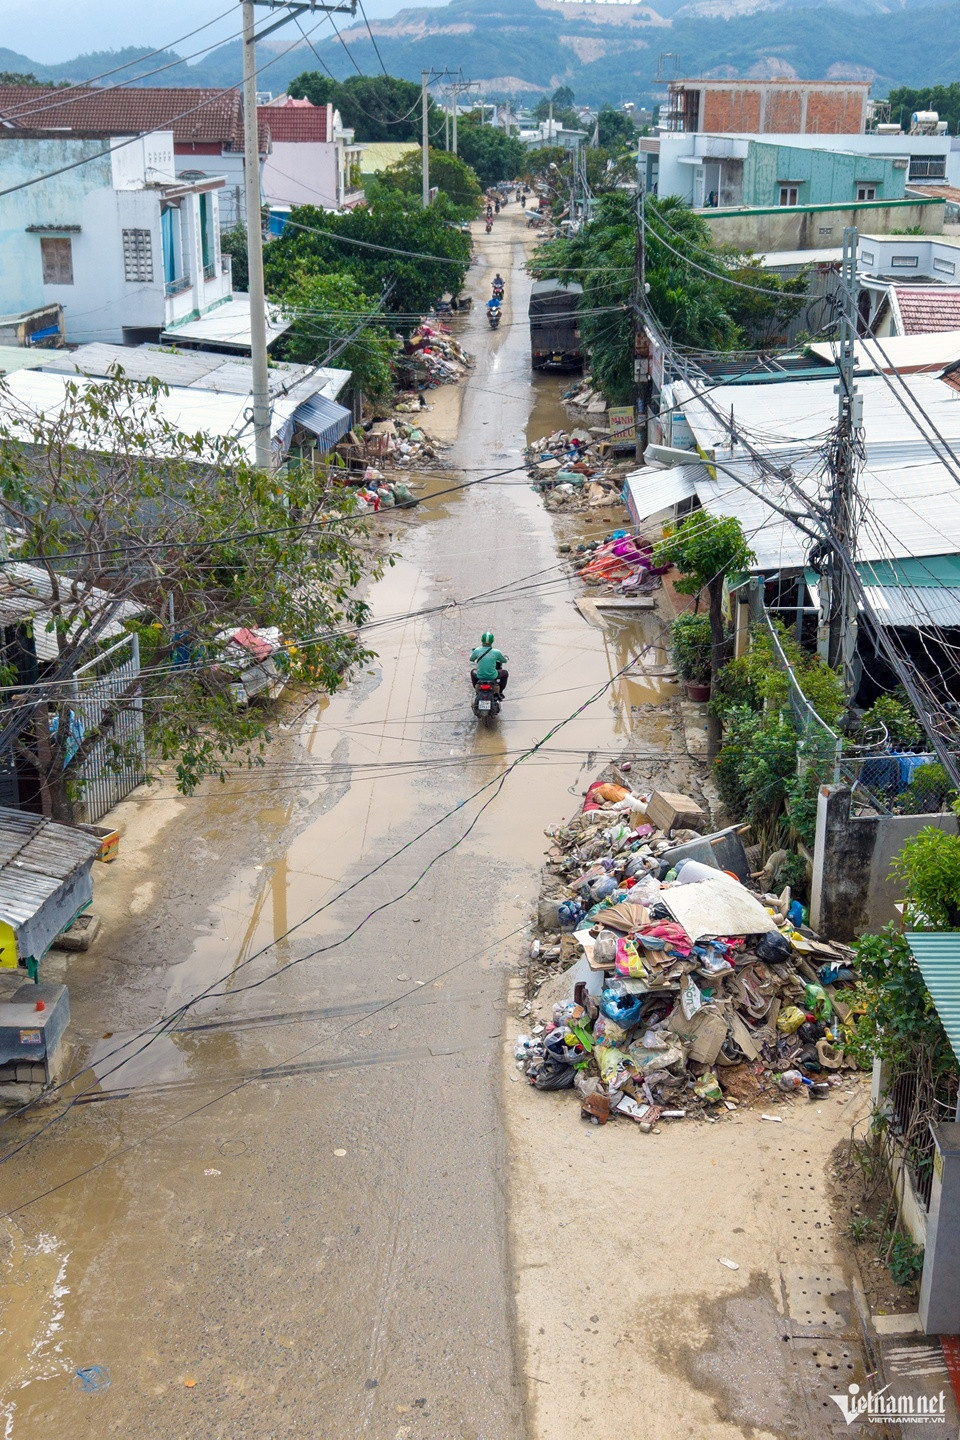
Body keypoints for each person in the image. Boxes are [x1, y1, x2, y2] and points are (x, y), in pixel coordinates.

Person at [470, 631, 509, 696]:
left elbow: (471, 659)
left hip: (480, 676)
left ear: (482, 640)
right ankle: (501, 692)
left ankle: (476, 690)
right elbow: (504, 661)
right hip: (493, 676)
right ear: (492, 641)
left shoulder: (477, 650)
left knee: (472, 671)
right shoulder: (496, 652)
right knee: (505, 673)